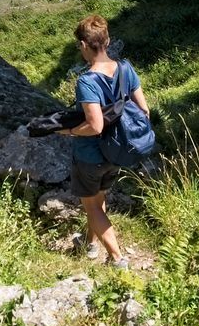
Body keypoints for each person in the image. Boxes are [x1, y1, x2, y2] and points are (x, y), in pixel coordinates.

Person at [59, 14, 149, 269]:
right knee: (97, 201)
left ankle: (118, 259)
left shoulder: (87, 81)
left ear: (84, 45)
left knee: (92, 207)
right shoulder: (126, 68)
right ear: (107, 40)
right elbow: (144, 111)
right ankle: (90, 244)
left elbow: (95, 125)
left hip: (90, 155)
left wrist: (68, 132)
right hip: (117, 153)